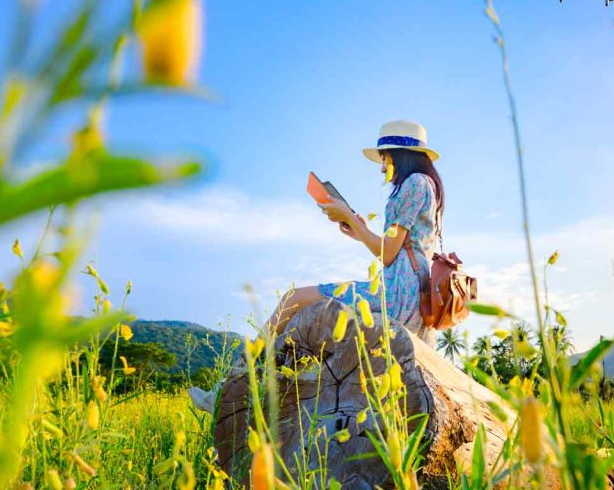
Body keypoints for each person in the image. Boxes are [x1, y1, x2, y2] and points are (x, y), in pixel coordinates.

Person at [189, 120, 445, 413]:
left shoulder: (413, 184)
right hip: (409, 297)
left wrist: (347, 214)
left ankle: (226, 390)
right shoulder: (427, 186)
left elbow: (387, 254)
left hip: (397, 298)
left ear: (398, 154)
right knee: (299, 310)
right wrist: (355, 226)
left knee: (293, 299)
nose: (381, 167)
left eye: (384, 158)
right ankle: (238, 390)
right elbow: (394, 252)